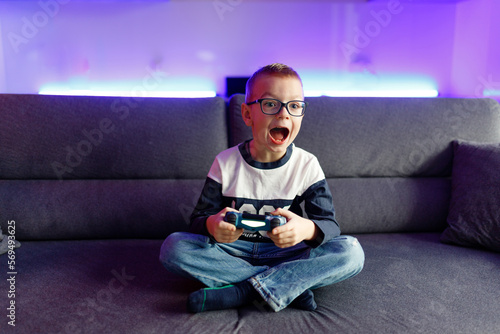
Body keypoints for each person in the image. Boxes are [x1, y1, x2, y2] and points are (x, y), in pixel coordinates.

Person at [159, 63, 364, 313]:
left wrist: (305, 228)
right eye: (270, 104)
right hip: (234, 251)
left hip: (286, 252)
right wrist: (213, 225)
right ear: (247, 114)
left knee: (351, 251)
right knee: (174, 247)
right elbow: (198, 220)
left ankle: (243, 291)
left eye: (295, 105)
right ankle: (286, 286)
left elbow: (330, 225)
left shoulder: (307, 164)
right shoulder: (225, 162)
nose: (284, 114)